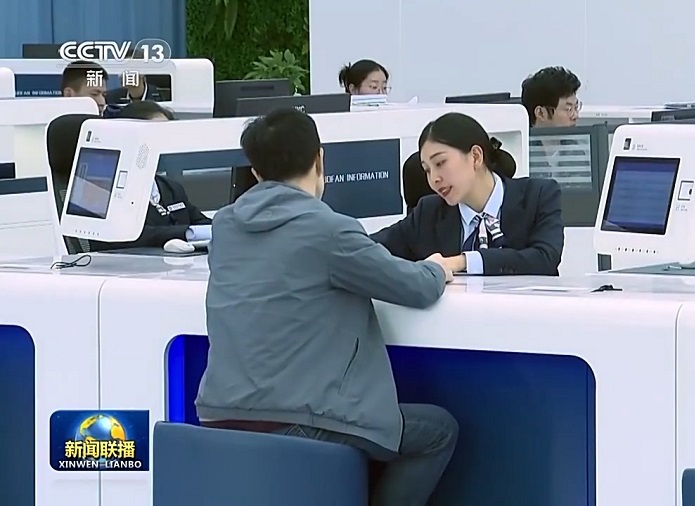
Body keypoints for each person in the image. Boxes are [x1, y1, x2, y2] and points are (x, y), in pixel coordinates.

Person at [196, 108, 459, 506]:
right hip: (300, 419)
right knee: (437, 431)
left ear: (256, 172)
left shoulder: (225, 227)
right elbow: (416, 287)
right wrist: (436, 268)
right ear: (320, 160)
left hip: (219, 414)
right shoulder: (329, 229)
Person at [371, 112, 564, 276]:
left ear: (475, 157)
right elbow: (368, 249)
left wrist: (462, 262)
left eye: (440, 163)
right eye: (427, 170)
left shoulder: (538, 195)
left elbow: (545, 258)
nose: (434, 179)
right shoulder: (428, 213)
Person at [87, 101, 210, 251]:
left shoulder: (170, 187)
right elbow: (123, 237)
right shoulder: (103, 188)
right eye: (157, 135)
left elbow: (200, 222)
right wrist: (188, 233)